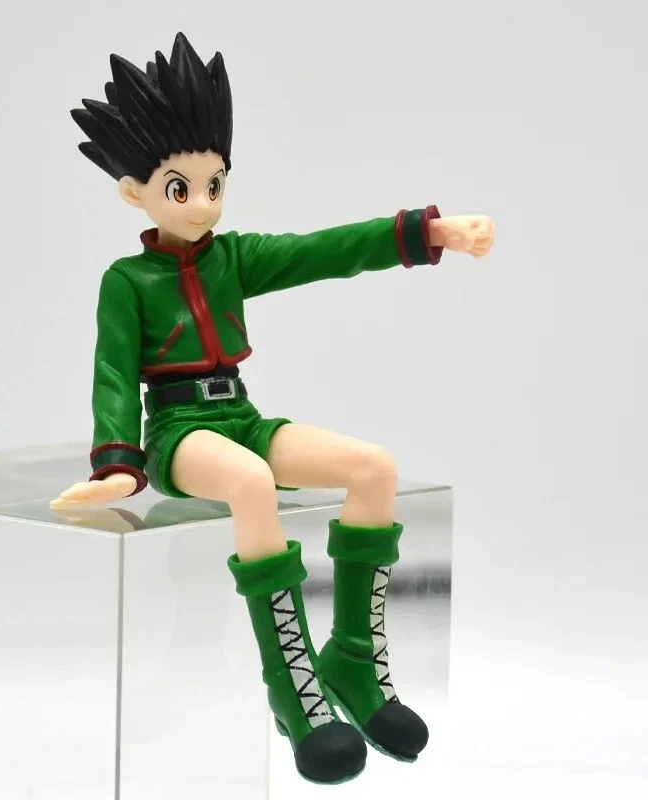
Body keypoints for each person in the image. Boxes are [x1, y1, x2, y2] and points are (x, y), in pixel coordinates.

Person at [52, 31, 494, 785]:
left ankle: (353, 659)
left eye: (215, 184)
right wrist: (118, 464)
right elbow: (113, 374)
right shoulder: (125, 281)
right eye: (181, 188)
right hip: (179, 432)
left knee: (373, 469)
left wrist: (428, 232)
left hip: (243, 418)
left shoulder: (235, 257)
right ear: (135, 192)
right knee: (252, 485)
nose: (203, 203)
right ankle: (293, 688)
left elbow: (324, 250)